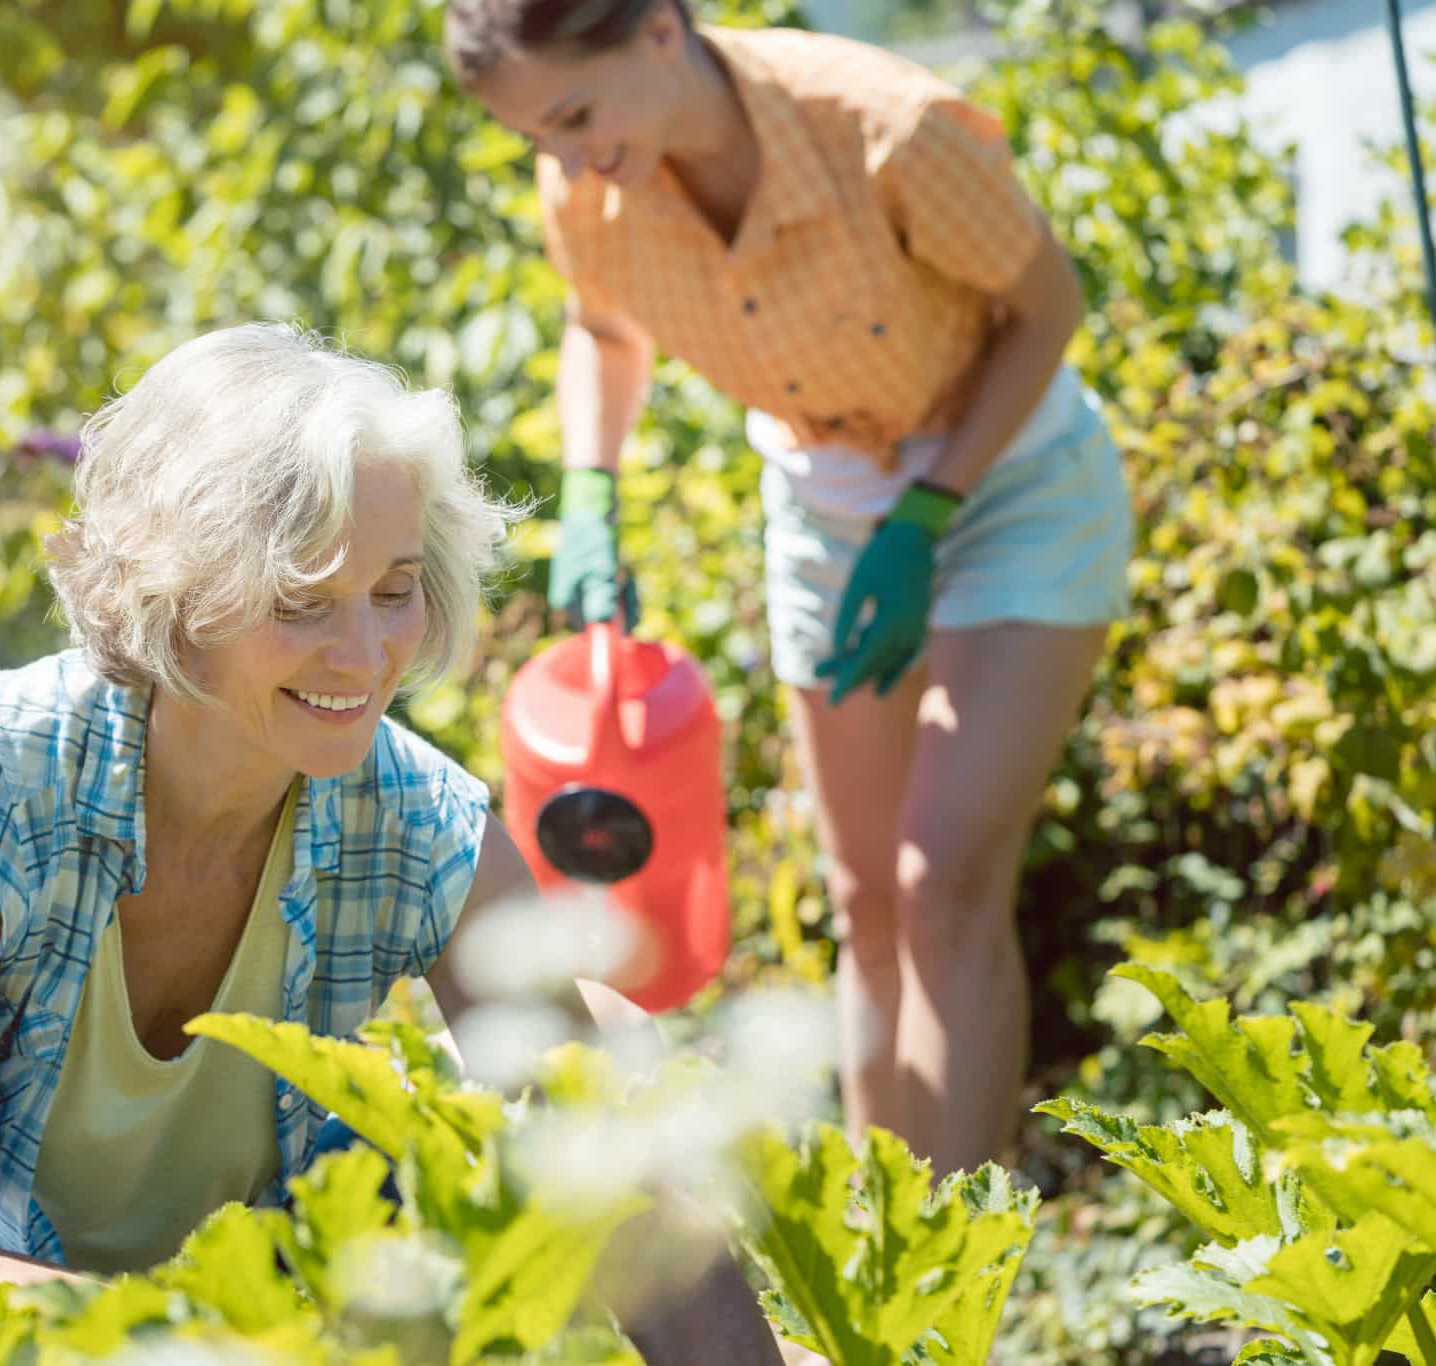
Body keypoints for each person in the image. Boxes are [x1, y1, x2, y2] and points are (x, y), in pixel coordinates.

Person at [0, 323, 786, 1362]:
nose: (362, 655)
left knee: (598, 1046)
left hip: (240, 1339)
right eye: (301, 599)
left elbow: (621, 1179)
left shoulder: (420, 826)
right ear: (180, 596)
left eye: (393, 589)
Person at [444, 0, 1134, 1175]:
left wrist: (926, 513)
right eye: (536, 140)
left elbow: (1048, 308)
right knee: (863, 898)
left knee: (941, 878)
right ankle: (879, 1255)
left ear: (658, 28)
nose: (564, 163)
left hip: (1010, 487)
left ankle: (944, 1302)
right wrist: (589, 492)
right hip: (824, 508)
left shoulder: (889, 131)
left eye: (573, 116)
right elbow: (601, 332)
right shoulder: (594, 181)